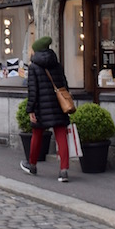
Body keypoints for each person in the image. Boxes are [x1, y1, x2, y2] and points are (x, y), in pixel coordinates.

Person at [20, 36, 72, 182]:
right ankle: (64, 171)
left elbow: (33, 91)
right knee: (61, 136)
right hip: (58, 106)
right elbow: (64, 86)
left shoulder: (34, 67)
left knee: (37, 135)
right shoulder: (57, 65)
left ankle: (32, 165)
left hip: (41, 108)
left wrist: (30, 110)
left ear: (36, 52)